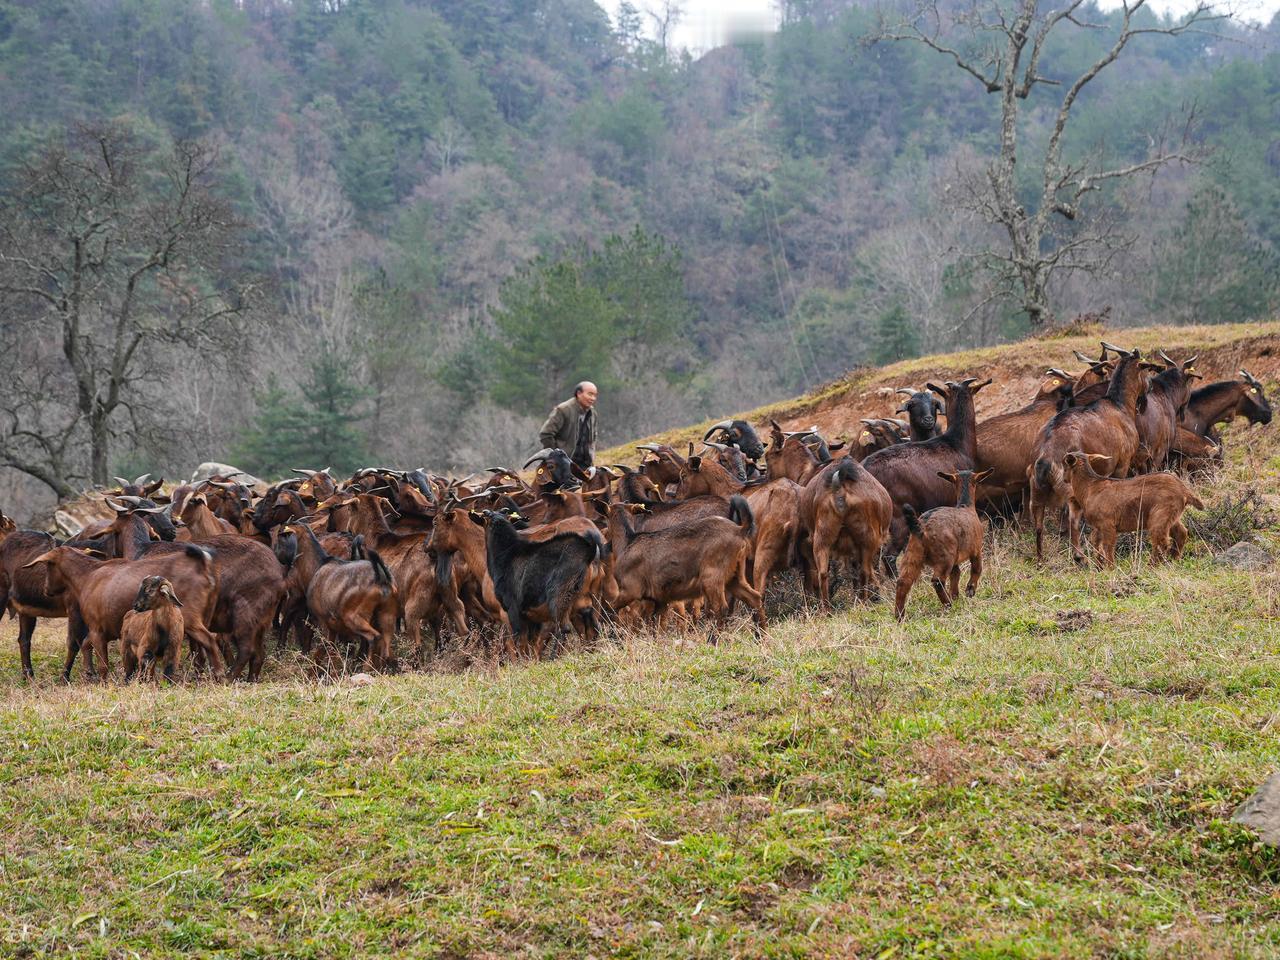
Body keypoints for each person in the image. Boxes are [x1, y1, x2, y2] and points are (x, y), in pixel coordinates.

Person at [539, 381, 598, 469]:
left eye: (595, 395)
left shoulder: (593, 413)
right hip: (563, 465)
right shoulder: (563, 410)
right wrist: (555, 457)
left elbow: (592, 440)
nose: (593, 398)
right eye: (590, 394)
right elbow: (546, 434)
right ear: (579, 393)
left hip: (585, 465)